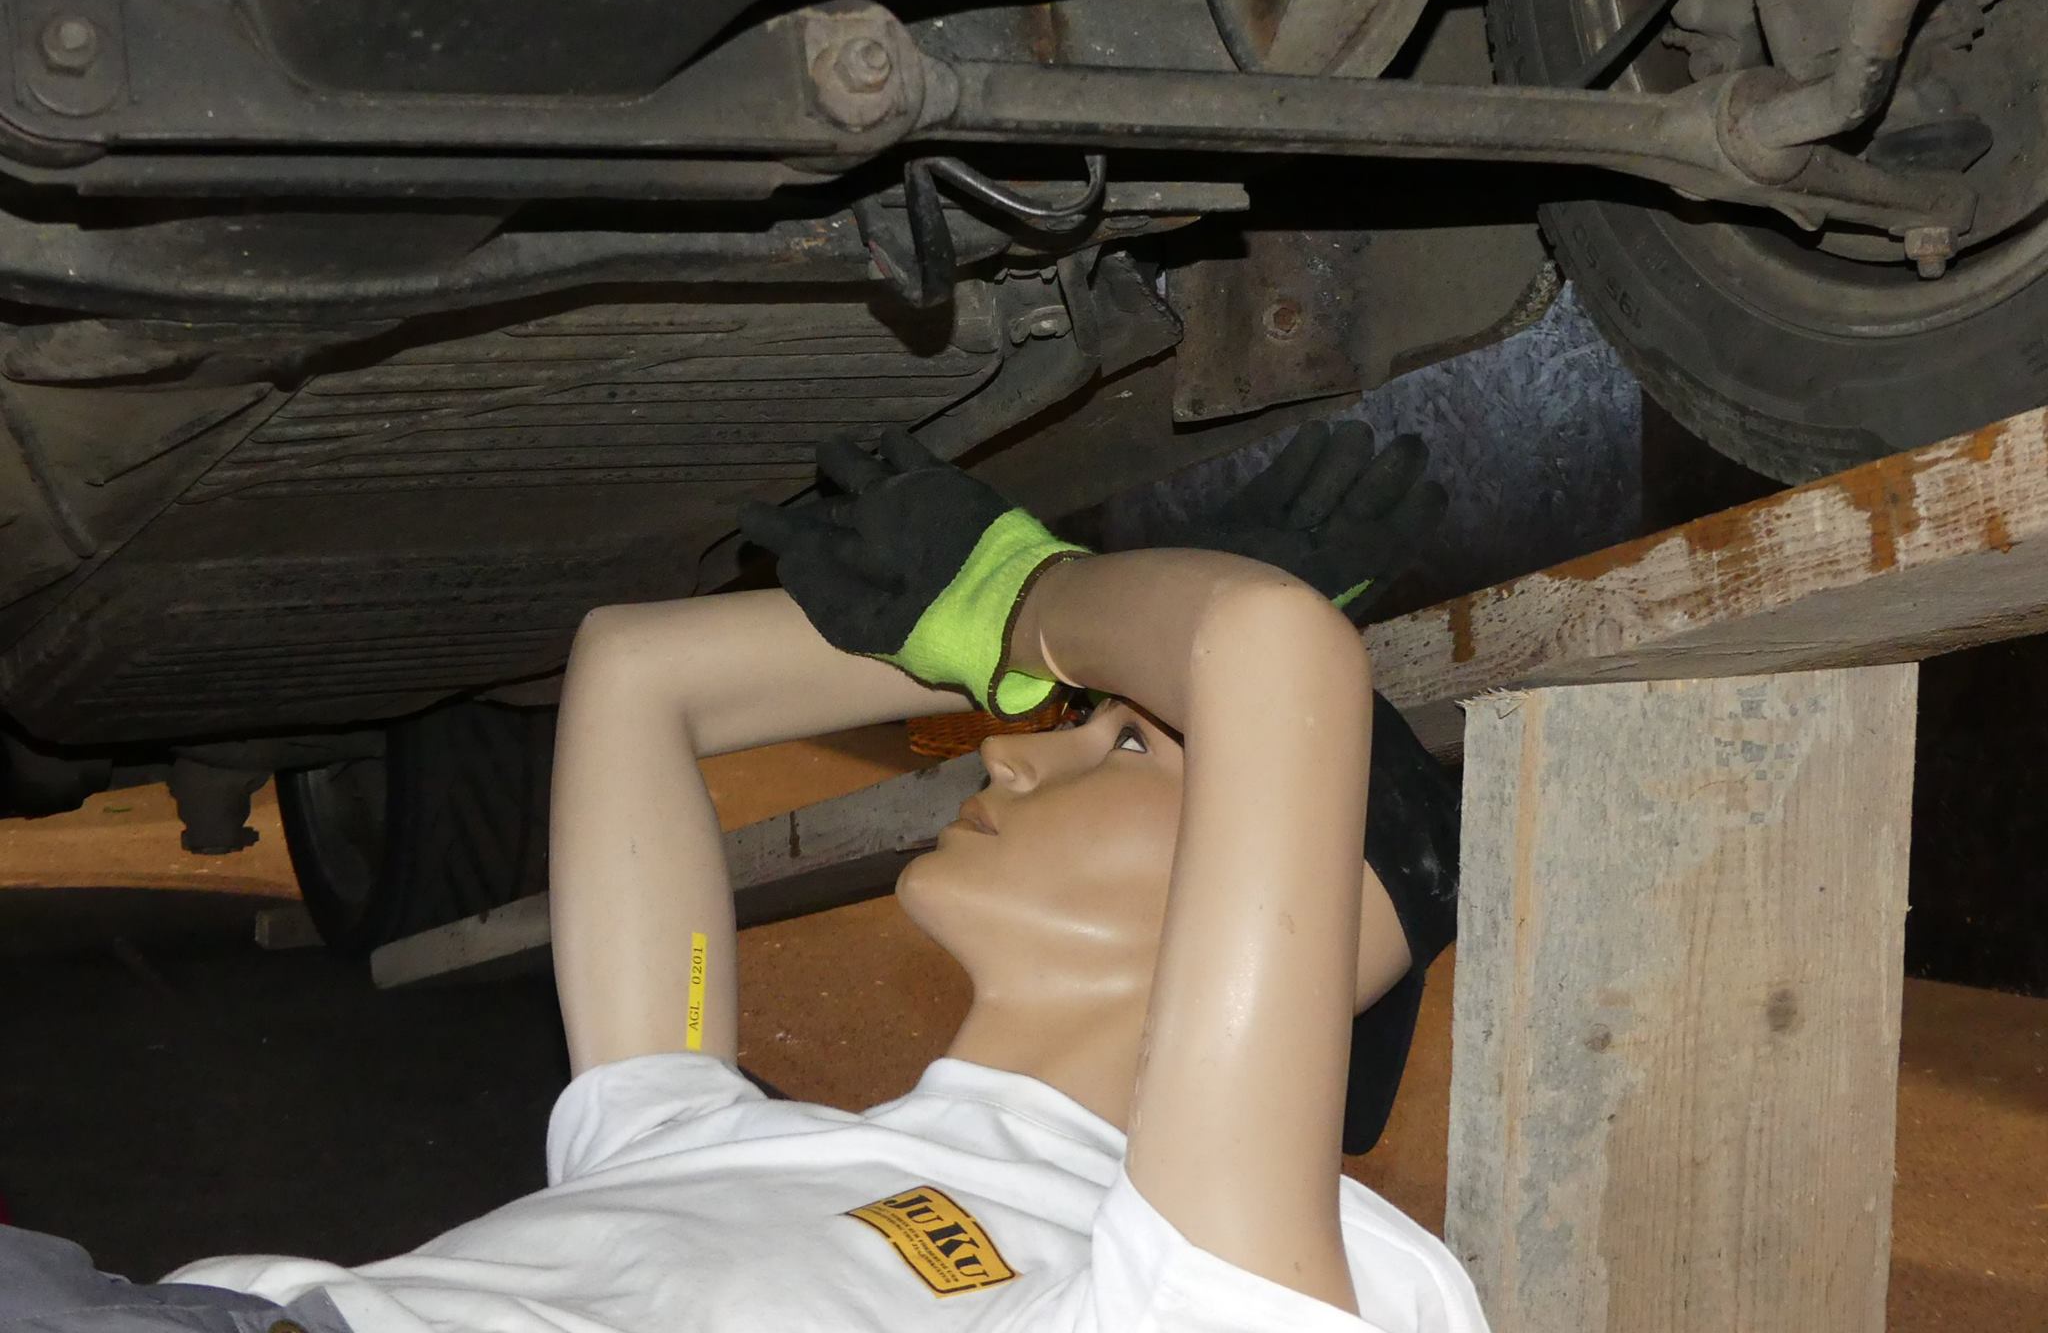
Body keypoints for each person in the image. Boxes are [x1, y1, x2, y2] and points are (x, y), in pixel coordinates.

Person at [4, 422, 1480, 1333]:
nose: (1010, 750)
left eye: (1129, 741)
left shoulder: (1207, 1281)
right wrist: (1030, 636)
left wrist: (1035, 606)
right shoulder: (710, 1140)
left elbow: (1271, 649)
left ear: (1269, 896)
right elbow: (640, 671)